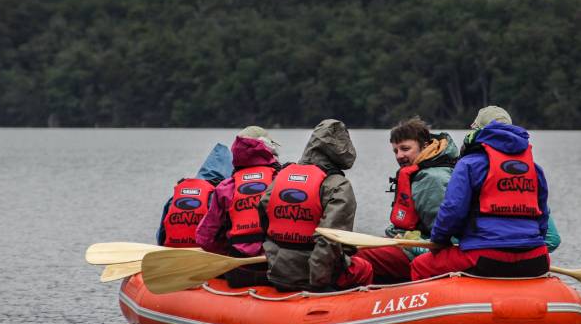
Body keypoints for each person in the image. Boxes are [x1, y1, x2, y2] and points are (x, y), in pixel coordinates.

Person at [410, 106, 558, 281]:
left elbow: (452, 210)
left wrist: (439, 242)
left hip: (485, 255)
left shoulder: (469, 164)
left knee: (420, 265)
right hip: (536, 258)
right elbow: (542, 219)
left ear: (478, 131)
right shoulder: (534, 169)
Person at [259, 119, 371, 291]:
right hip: (311, 278)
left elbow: (264, 218)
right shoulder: (338, 185)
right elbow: (331, 238)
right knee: (365, 267)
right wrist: (318, 283)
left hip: (277, 272)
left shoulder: (281, 177)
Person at [351, 117, 458, 283]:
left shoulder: (432, 179)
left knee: (356, 254)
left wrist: (407, 244)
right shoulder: (424, 171)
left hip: (421, 252)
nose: (399, 156)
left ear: (424, 146)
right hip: (407, 243)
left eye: (405, 149)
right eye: (395, 151)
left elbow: (446, 239)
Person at [195, 126, 280, 286]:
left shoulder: (226, 186)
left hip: (239, 271)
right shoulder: (281, 180)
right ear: (269, 150)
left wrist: (227, 251)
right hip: (277, 270)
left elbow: (205, 238)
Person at [156, 142, 232, 247]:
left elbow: (160, 235)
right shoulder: (218, 196)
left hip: (172, 250)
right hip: (204, 253)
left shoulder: (174, 197)